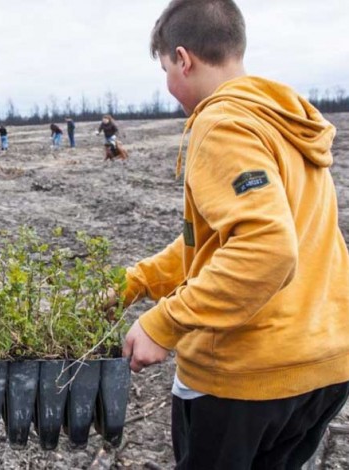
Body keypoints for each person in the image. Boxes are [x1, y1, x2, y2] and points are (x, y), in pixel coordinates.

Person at [119, 1, 349, 469]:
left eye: (166, 68)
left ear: (183, 59)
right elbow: (218, 241)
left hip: (247, 377)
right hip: (323, 364)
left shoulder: (222, 123)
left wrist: (163, 324)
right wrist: (137, 282)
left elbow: (265, 248)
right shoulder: (279, 118)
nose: (168, 85)